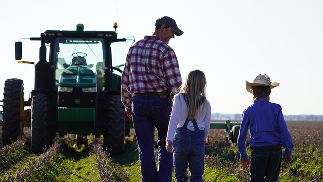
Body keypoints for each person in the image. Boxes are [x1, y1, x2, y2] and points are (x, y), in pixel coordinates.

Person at [121, 16, 183, 182]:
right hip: (161, 102)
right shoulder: (165, 51)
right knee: (166, 144)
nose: (173, 36)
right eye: (172, 31)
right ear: (162, 27)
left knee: (145, 148)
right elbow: (176, 86)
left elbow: (125, 80)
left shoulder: (133, 48)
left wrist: (128, 106)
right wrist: (178, 108)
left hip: (138, 103)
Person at [237, 74, 293, 182]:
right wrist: (288, 151)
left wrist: (243, 155)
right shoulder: (276, 108)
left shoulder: (248, 111)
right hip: (276, 151)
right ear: (269, 91)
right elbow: (284, 131)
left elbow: (242, 135)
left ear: (252, 91)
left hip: (258, 152)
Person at [166, 70, 211, 182]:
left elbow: (174, 121)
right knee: (197, 176)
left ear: (187, 82)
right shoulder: (206, 103)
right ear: (203, 84)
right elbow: (206, 128)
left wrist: (169, 140)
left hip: (181, 139)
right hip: (198, 140)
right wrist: (201, 141)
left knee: (180, 176)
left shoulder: (179, 98)